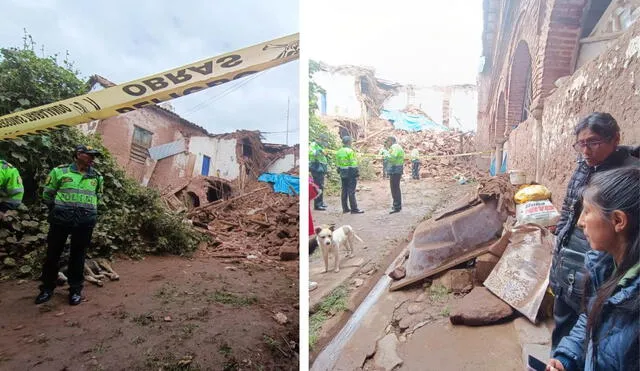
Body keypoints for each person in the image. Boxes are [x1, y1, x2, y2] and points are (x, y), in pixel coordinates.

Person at [549, 112, 640, 350]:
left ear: (615, 139)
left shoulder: (627, 178)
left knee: (593, 334)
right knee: (563, 337)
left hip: (596, 274)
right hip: (566, 268)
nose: (586, 151)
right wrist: (559, 244)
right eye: (581, 144)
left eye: (593, 142)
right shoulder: (584, 166)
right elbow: (569, 211)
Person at [546, 167, 639, 371]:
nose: (580, 222)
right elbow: (593, 317)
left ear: (618, 221)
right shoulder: (606, 266)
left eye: (587, 211)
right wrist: (566, 359)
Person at [35, 145, 104, 306]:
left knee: (78, 256)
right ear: (78, 154)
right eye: (89, 155)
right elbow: (48, 194)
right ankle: (46, 289)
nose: (92, 158)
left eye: (94, 155)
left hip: (85, 221)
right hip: (60, 220)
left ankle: (75, 290)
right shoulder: (60, 171)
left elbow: (98, 196)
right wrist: (59, 209)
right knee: (53, 254)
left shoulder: (97, 176)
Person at [335, 136, 363, 214]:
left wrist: (339, 170)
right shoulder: (350, 151)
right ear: (349, 142)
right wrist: (356, 173)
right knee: (351, 191)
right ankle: (354, 209)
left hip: (342, 173)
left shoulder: (339, 151)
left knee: (344, 190)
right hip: (350, 173)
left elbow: (337, 163)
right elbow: (353, 163)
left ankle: (345, 208)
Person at [385, 136, 405, 214]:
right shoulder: (397, 147)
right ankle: (396, 205)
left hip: (395, 169)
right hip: (396, 169)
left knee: (394, 188)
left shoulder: (395, 147)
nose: (387, 143)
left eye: (388, 141)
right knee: (395, 188)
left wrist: (386, 156)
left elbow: (393, 157)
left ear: (391, 141)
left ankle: (397, 206)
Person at [309, 134, 329, 211]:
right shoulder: (313, 145)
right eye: (322, 140)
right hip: (316, 168)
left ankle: (321, 202)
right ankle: (317, 205)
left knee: (321, 186)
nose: (323, 142)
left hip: (321, 168)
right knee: (318, 186)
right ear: (318, 139)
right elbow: (310, 153)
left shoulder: (320, 146)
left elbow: (323, 155)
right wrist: (318, 151)